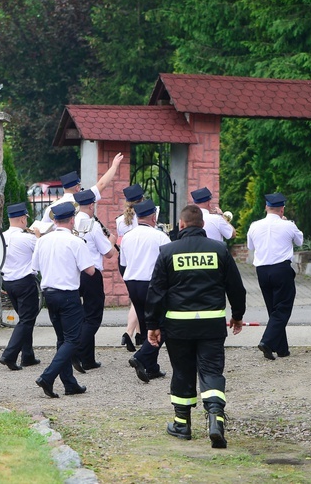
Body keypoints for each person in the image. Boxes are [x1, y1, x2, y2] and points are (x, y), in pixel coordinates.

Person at [146, 205, 246, 448]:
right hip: (212, 324)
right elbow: (236, 287)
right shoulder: (219, 250)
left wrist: (153, 324)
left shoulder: (168, 251)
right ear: (202, 225)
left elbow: (156, 292)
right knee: (211, 370)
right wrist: (237, 315)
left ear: (181, 225)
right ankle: (216, 420)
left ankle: (182, 424)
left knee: (182, 370)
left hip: (178, 325)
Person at [32, 202, 95, 398]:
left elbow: (35, 267)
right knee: (73, 340)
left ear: (54, 220)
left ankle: (69, 383)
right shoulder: (75, 241)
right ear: (72, 220)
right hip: (68, 295)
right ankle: (48, 376)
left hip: (49, 294)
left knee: (62, 339)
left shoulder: (42, 240)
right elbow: (90, 271)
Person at [247, 192, 303, 360]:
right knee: (283, 308)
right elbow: (300, 241)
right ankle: (267, 341)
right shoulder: (288, 225)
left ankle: (282, 349)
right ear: (282, 209)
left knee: (273, 309)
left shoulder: (254, 225)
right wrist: (288, 223)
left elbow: (250, 246)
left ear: (266, 207)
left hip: (262, 271)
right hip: (281, 269)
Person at [119, 199, 171, 382]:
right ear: (153, 216)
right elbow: (168, 264)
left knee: (148, 325)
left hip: (133, 283)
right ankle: (141, 357)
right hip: (152, 284)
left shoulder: (128, 236)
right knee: (163, 325)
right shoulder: (160, 237)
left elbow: (122, 265)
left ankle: (151, 366)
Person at [72, 189, 117, 372]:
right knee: (93, 317)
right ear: (91, 205)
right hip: (91, 274)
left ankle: (88, 359)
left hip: (74, 273)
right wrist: (112, 240)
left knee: (82, 316)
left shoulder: (71, 222)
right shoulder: (93, 225)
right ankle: (77, 350)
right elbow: (108, 253)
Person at [0, 202, 41, 370]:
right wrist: (38, 237)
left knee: (25, 318)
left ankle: (28, 355)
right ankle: (9, 355)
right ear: (23, 219)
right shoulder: (28, 238)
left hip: (8, 282)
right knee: (26, 319)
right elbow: (41, 253)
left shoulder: (1, 237)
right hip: (24, 281)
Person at [40, 153, 124, 223]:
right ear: (77, 188)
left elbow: (43, 229)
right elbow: (102, 184)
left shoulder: (51, 208)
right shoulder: (83, 199)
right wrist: (114, 166)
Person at [115, 183, 144, 351]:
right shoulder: (142, 217)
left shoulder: (120, 220)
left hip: (125, 261)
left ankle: (139, 334)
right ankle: (128, 332)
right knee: (138, 299)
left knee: (136, 297)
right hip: (140, 259)